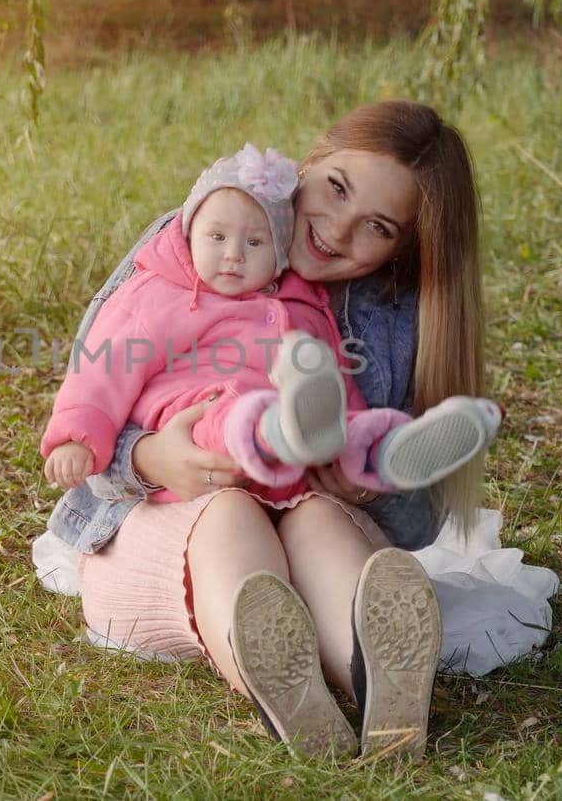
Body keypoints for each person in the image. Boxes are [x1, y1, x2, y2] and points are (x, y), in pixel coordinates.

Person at [43, 100, 490, 760]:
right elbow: (94, 387)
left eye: (376, 226)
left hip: (302, 506)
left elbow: (420, 523)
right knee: (229, 515)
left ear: (405, 248)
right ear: (307, 163)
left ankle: (379, 681)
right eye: (335, 188)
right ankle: (281, 674)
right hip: (168, 519)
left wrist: (369, 487)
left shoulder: (394, 315)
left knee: (318, 519)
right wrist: (148, 458)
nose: (337, 230)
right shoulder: (202, 236)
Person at [41, 143, 501, 508]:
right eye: (337, 188)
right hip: (206, 429)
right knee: (234, 415)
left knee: (346, 422)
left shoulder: (313, 306)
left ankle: (386, 451)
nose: (234, 254)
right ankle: (280, 427)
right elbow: (98, 372)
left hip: (299, 494)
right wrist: (104, 446)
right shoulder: (169, 278)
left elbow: (338, 385)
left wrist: (361, 476)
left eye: (377, 226)